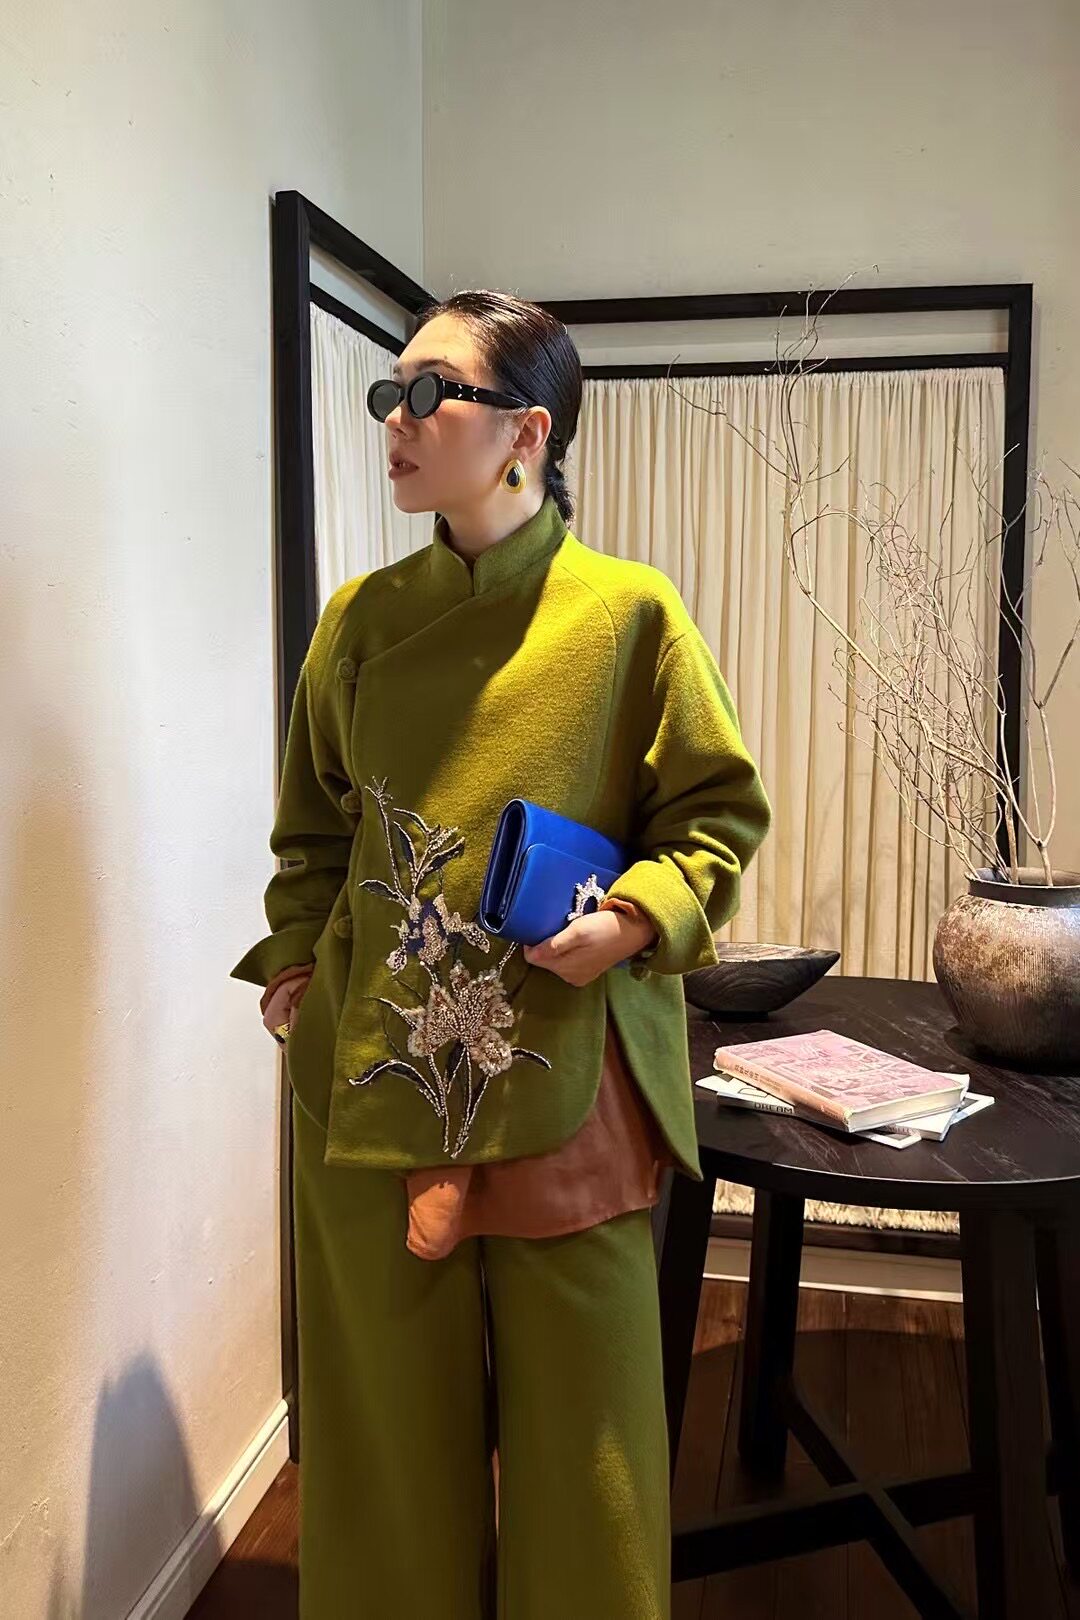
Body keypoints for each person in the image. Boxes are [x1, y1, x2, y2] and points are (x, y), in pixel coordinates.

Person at [230, 289, 773, 1618]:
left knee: (590, 1452)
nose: (396, 421)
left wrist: (634, 919)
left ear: (528, 431)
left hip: (566, 1062)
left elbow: (715, 815)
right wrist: (296, 968)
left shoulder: (630, 614)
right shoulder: (358, 621)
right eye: (390, 395)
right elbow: (313, 831)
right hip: (374, 1072)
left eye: (431, 394)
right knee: (380, 1443)